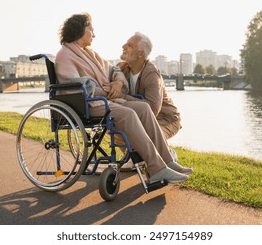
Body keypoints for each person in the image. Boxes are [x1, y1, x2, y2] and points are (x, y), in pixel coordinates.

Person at [54, 13, 192, 184]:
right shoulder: (64, 55)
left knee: (144, 108)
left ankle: (168, 161)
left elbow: (115, 70)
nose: (94, 34)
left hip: (103, 100)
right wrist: (106, 91)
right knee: (128, 114)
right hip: (86, 104)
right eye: (91, 30)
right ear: (81, 30)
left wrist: (117, 84)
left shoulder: (91, 54)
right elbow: (76, 86)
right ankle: (156, 168)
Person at [117, 32, 184, 163]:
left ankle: (169, 155)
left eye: (130, 45)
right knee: (115, 128)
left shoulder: (151, 73)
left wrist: (123, 97)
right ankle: (133, 156)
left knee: (148, 135)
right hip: (141, 120)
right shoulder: (122, 69)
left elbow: (152, 108)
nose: (123, 46)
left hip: (166, 119)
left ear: (141, 54)